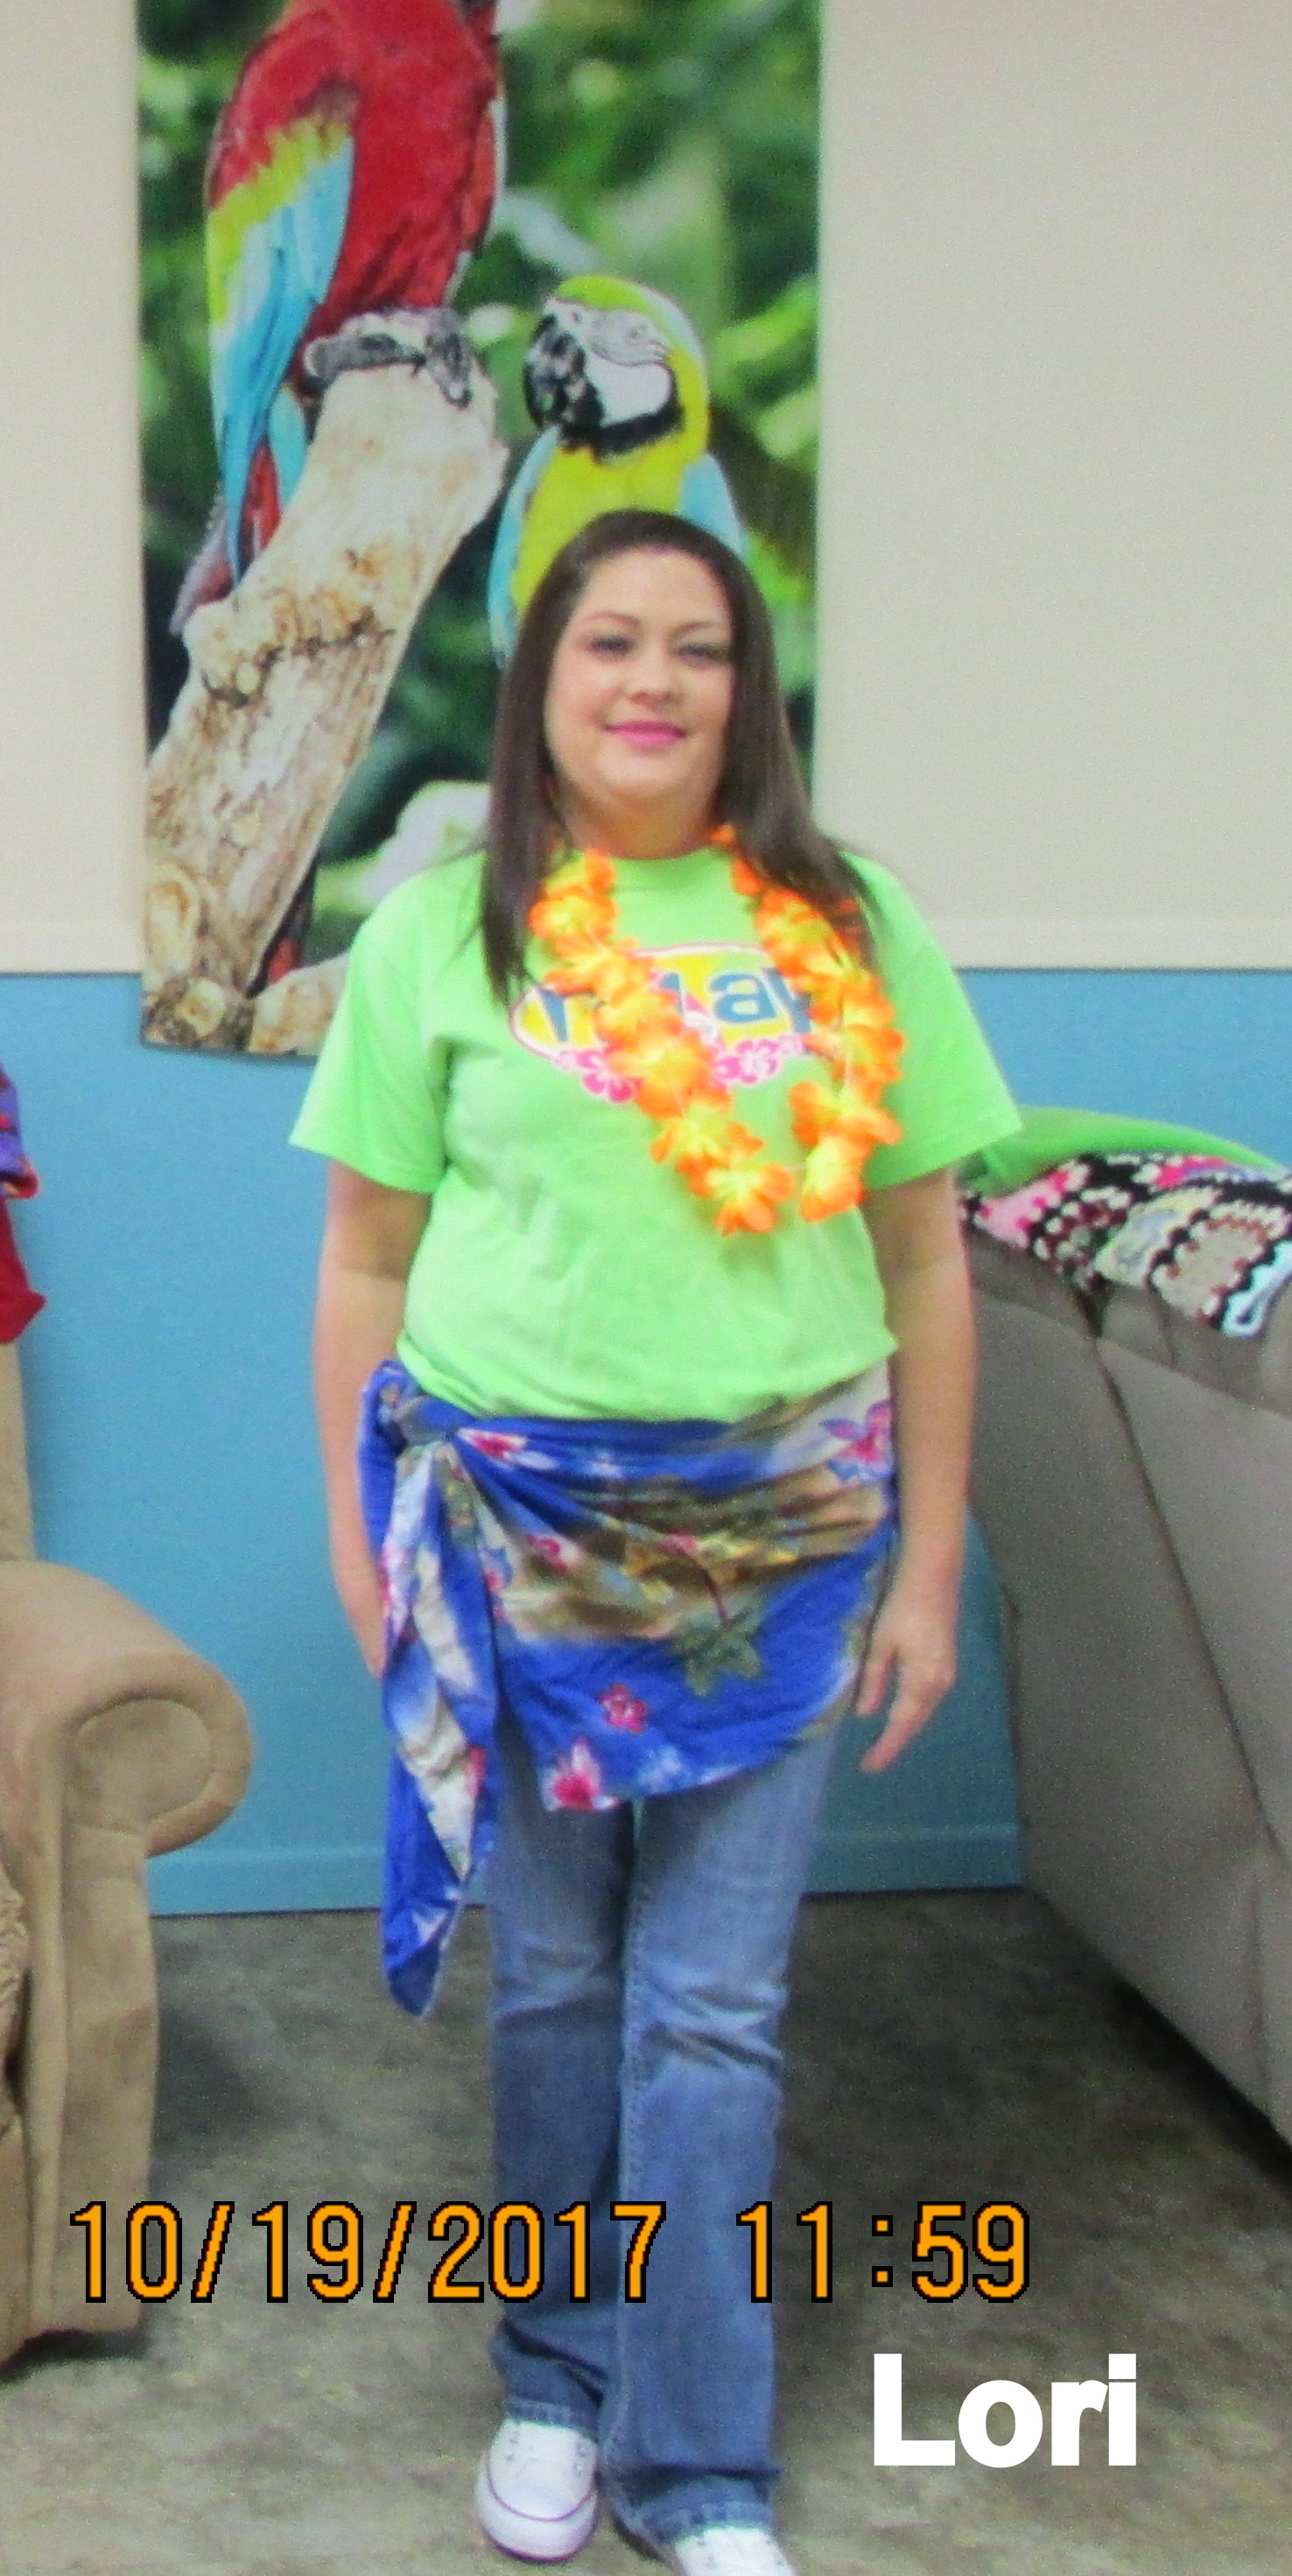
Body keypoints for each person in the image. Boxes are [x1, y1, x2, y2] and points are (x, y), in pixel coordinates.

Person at [291, 507, 1017, 2576]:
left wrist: (932, 1566)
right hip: (508, 1534)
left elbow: (927, 1260)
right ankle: (553, 2383)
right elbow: (364, 1257)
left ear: (745, 691)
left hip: (787, 1539)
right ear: (541, 675)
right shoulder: (446, 931)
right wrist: (359, 1536)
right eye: (609, 639)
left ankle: (698, 2464)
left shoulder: (851, 921)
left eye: (697, 647)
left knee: (714, 2010)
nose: (653, 682)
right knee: (555, 1984)